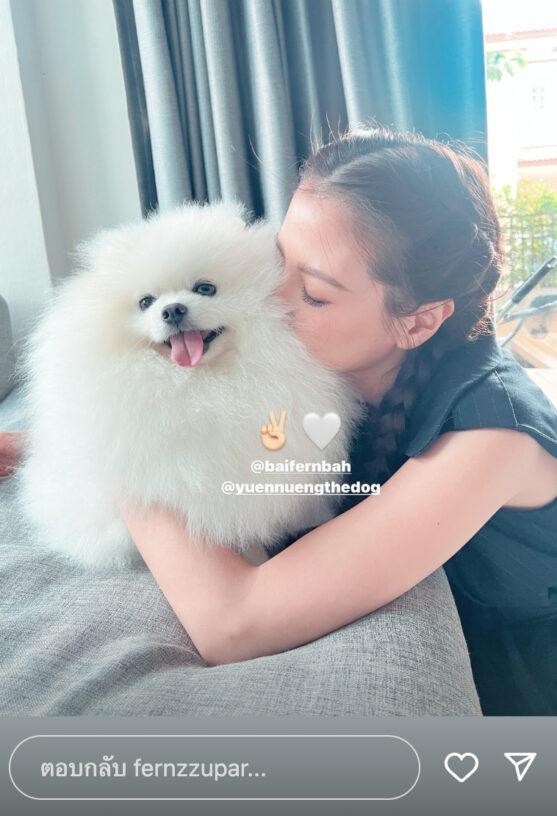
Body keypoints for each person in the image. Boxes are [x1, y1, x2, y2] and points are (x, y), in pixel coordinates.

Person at [2, 129, 556, 715]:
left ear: (418, 322)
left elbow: (234, 623)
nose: (269, 295)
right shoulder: (351, 362)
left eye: (312, 291)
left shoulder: (492, 439)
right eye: (277, 261)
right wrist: (48, 441)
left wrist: (111, 440)